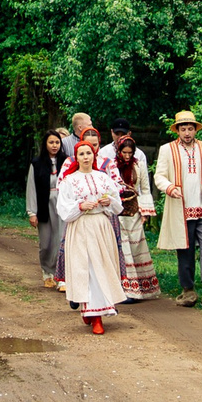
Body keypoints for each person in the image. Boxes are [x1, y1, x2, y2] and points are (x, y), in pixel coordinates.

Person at [54, 127, 125, 334]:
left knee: (101, 267)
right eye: (81, 153)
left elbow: (117, 205)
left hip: (101, 227)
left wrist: (107, 201)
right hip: (81, 227)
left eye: (89, 153)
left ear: (94, 154)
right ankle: (94, 316)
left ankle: (95, 311)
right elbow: (63, 208)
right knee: (87, 269)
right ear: (76, 157)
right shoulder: (69, 180)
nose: (86, 156)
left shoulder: (103, 177)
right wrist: (80, 207)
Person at [155, 109, 202, 306]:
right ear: (177, 131)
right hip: (181, 209)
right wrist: (170, 188)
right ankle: (188, 291)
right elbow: (159, 176)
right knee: (184, 249)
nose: (187, 132)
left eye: (190, 128)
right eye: (183, 129)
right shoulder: (167, 149)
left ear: (196, 130)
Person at [97, 120, 160, 302]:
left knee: (136, 247)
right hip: (117, 211)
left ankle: (141, 287)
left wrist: (146, 211)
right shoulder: (110, 162)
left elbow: (145, 188)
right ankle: (125, 290)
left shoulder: (139, 162)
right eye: (123, 152)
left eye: (129, 153)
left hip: (134, 211)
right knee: (122, 248)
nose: (126, 155)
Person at [23, 129, 67, 287]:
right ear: (45, 144)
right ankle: (47, 271)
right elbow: (32, 189)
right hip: (44, 205)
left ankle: (61, 276)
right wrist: (32, 212)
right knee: (46, 242)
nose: (54, 145)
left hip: (62, 205)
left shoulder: (67, 162)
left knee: (61, 240)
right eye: (51, 142)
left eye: (57, 142)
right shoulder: (37, 163)